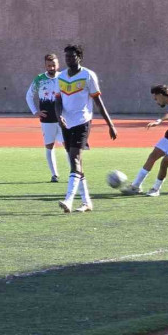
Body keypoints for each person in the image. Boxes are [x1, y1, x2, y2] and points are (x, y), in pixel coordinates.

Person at [55, 45, 118, 213]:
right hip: (66, 124)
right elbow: (58, 100)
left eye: (72, 56)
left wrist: (110, 124)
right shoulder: (60, 77)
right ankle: (87, 202)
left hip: (82, 122)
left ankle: (68, 200)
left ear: (79, 57)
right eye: (66, 56)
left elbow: (98, 102)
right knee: (75, 163)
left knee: (74, 159)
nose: (68, 59)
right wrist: (59, 115)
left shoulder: (88, 75)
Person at [25, 53, 65, 182]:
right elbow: (29, 95)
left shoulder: (64, 77)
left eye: (53, 65)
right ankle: (55, 174)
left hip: (63, 118)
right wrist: (35, 112)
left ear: (58, 65)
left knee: (68, 145)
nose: (52, 68)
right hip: (47, 119)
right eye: (49, 65)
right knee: (49, 146)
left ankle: (74, 173)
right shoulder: (39, 79)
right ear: (45, 66)